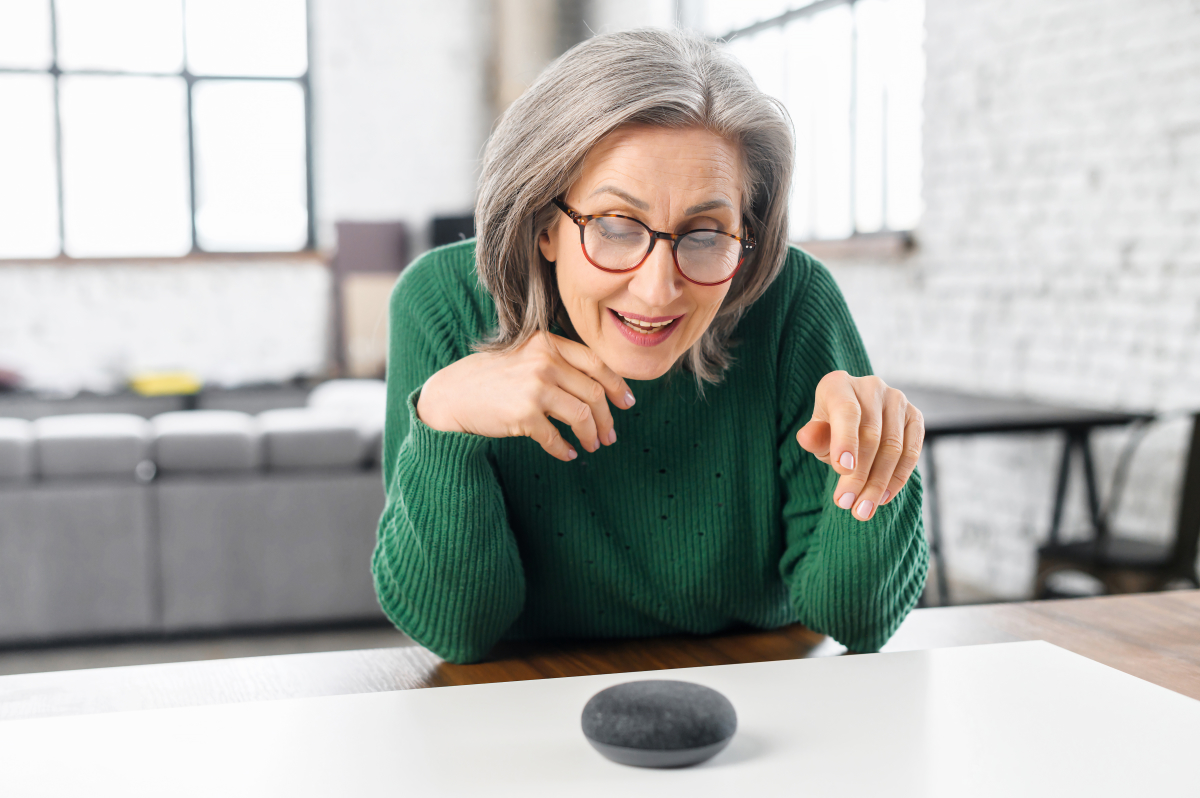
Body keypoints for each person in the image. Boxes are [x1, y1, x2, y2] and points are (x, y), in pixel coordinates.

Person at [373, 29, 927, 664]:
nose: (659, 288)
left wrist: (873, 467)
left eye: (704, 232)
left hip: (752, 691)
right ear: (544, 225)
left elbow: (856, 621)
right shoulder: (440, 303)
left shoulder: (791, 301)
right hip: (519, 700)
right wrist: (444, 423)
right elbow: (455, 633)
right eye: (614, 226)